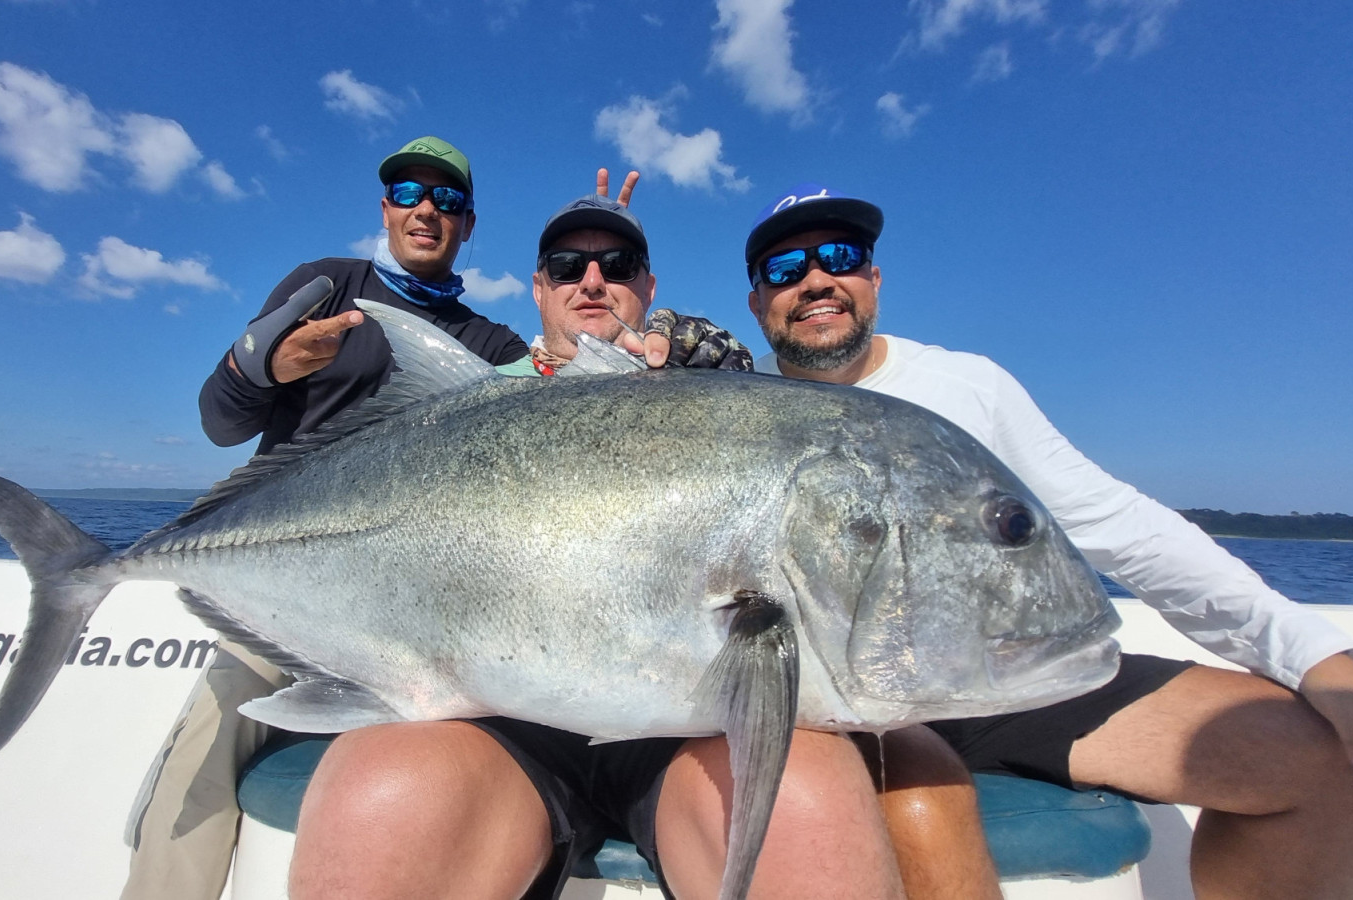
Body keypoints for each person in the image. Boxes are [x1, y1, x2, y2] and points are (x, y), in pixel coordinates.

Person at [121, 140, 766, 900]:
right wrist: (257, 365)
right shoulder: (327, 287)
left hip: (413, 594)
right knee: (205, 753)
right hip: (289, 566)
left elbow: (619, 381)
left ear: (468, 223)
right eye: (567, 267)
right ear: (385, 207)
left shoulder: (488, 348)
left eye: (448, 199)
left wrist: (671, 328)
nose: (426, 209)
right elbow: (220, 422)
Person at [740, 182, 1353, 899]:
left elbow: (1126, 529)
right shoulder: (729, 401)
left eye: (840, 256)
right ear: (757, 302)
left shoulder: (969, 386)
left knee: (1336, 766)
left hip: (1005, 683)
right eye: (784, 269)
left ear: (873, 277)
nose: (815, 280)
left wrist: (1314, 656)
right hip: (819, 704)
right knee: (924, 807)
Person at [286, 191, 905, 900]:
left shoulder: (711, 389)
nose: (591, 281)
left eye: (618, 264)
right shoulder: (465, 402)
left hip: (693, 734)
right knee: (378, 798)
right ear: (537, 288)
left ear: (649, 287)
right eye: (565, 266)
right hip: (497, 721)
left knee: (808, 809)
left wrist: (706, 369)